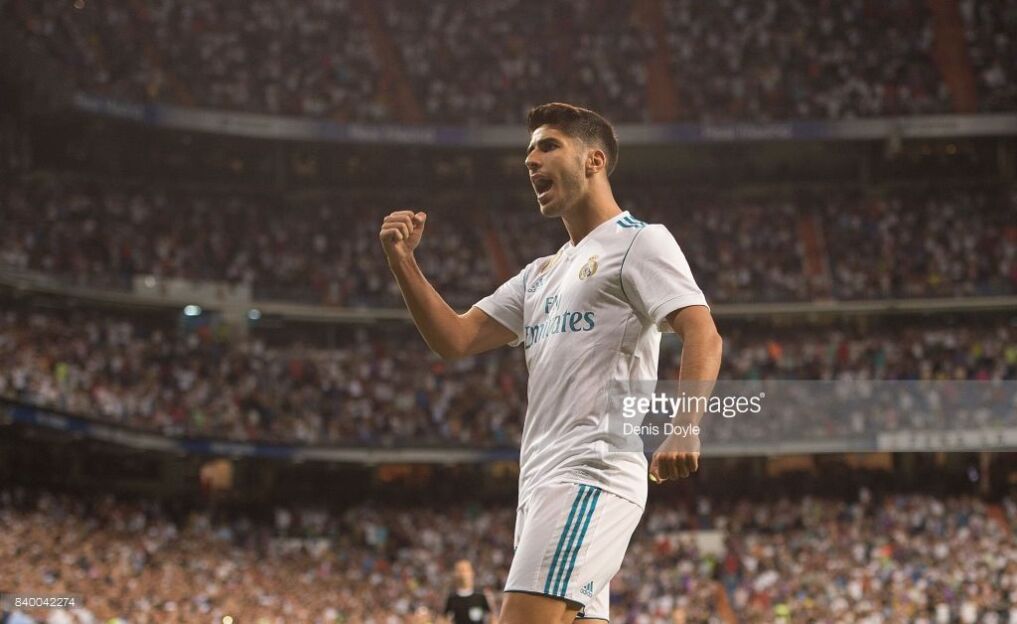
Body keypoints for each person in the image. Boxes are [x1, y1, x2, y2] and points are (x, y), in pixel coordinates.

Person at [380, 102, 722, 624]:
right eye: (529, 152)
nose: (530, 160)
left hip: (590, 472)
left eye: (548, 146)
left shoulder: (639, 240)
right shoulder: (540, 273)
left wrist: (685, 427)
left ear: (594, 160)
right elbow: (455, 338)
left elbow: (702, 331)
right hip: (541, 484)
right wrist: (402, 262)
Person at [442, 560, 497, 624]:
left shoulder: (481, 596)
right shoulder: (451, 598)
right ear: (455, 574)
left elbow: (492, 617)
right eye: (459, 571)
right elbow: (444, 619)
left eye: (465, 570)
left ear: (472, 573)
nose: (463, 574)